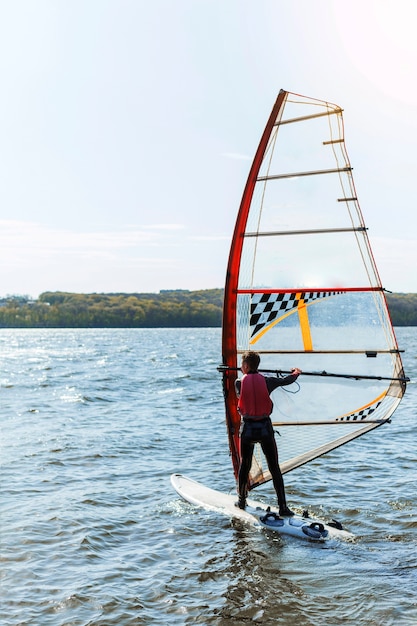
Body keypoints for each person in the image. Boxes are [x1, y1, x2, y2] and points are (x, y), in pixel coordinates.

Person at [234, 351, 301, 515]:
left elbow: (240, 394)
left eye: (242, 365)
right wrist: (296, 372)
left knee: (245, 466)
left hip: (248, 429)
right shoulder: (268, 380)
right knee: (274, 467)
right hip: (265, 429)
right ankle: (283, 508)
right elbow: (288, 380)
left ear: (246, 366)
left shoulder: (238, 383)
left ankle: (242, 501)